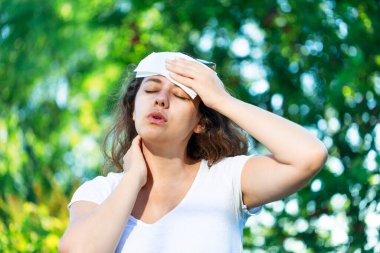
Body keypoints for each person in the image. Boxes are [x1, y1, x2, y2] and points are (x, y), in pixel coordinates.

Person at [58, 52, 327, 253]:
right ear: (132, 109)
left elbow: (308, 156)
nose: (161, 99)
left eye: (181, 96)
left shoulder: (227, 179)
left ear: (200, 122)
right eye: (151, 89)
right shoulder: (99, 192)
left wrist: (221, 100)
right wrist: (132, 178)